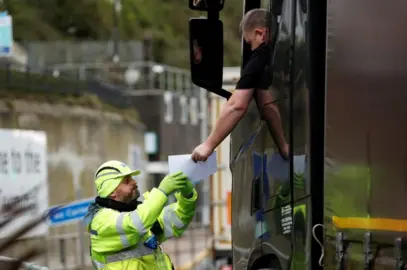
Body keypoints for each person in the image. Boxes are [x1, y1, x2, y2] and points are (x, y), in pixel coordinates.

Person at [191, 8, 288, 162]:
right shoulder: (277, 56)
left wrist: (208, 145)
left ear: (261, 34)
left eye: (250, 42)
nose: (251, 48)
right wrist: (284, 147)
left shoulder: (262, 55)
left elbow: (236, 105)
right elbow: (267, 104)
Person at [83, 160, 198, 270]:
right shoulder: (101, 221)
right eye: (127, 181)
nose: (134, 182)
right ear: (112, 191)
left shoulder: (137, 212)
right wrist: (162, 192)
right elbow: (134, 225)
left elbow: (178, 219)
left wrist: (187, 196)